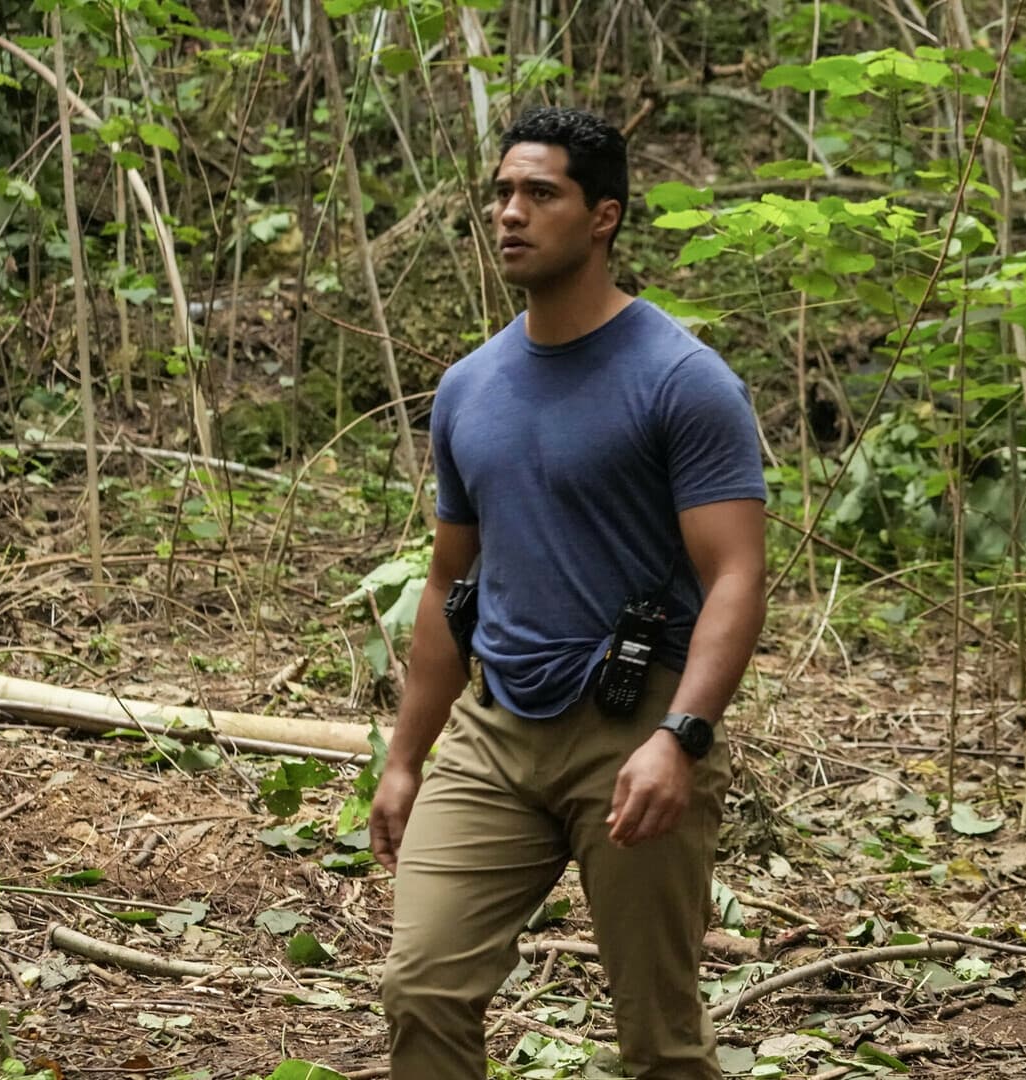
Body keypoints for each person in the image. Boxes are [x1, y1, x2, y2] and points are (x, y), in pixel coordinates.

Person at [369, 106, 767, 1079]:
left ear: (603, 217)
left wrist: (681, 737)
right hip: (494, 731)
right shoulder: (469, 388)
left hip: (634, 728)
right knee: (421, 986)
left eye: (540, 193)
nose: (510, 212)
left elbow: (735, 574)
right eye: (502, 192)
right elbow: (449, 581)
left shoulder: (681, 380)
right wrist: (405, 757)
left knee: (660, 1042)